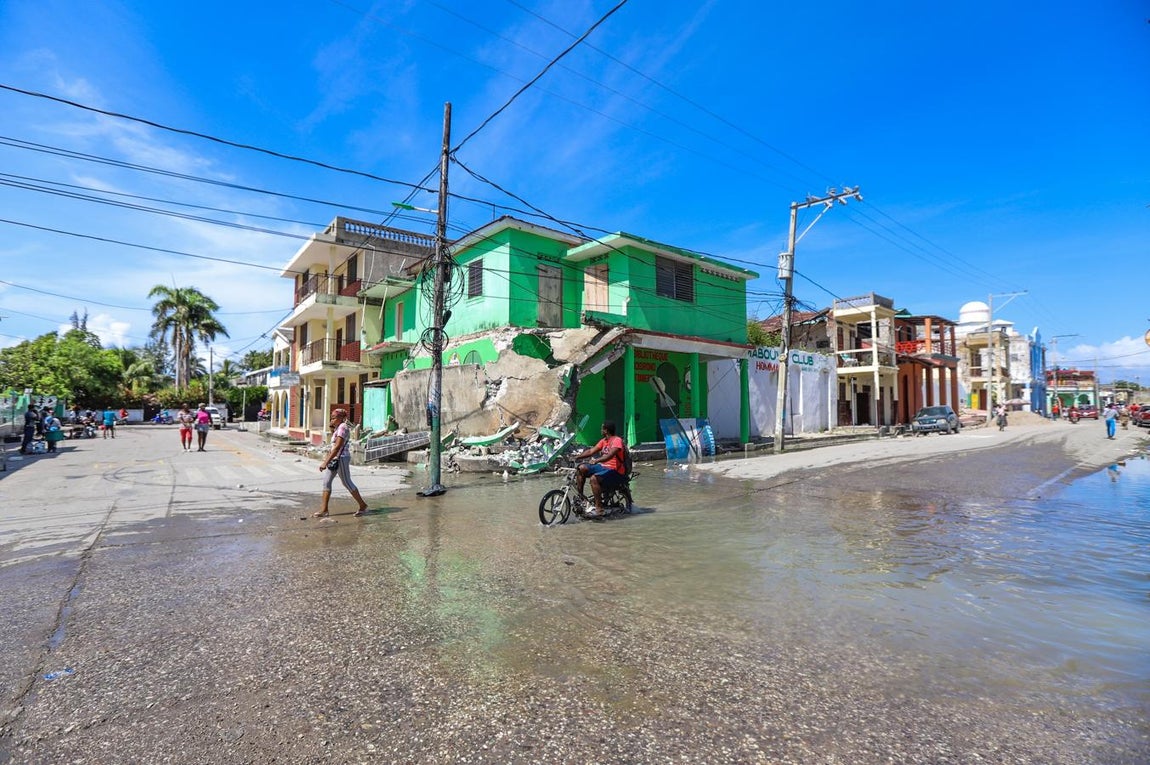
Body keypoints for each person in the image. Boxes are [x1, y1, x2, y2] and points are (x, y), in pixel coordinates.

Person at [314, 409, 369, 518]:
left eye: (334, 418)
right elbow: (333, 445)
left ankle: (363, 505)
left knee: (347, 482)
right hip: (335, 458)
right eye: (331, 418)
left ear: (341, 418)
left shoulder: (343, 427)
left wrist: (325, 463)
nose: (332, 420)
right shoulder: (338, 428)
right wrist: (332, 428)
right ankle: (324, 510)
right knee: (326, 482)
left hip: (341, 458)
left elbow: (338, 446)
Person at [574, 420, 628, 517]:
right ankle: (581, 498)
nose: (601, 430)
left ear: (606, 430)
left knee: (594, 479)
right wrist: (577, 457)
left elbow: (610, 455)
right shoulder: (604, 441)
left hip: (616, 471)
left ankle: (599, 508)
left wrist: (597, 460)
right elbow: (591, 451)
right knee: (581, 468)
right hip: (603, 467)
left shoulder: (617, 440)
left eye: (602, 429)